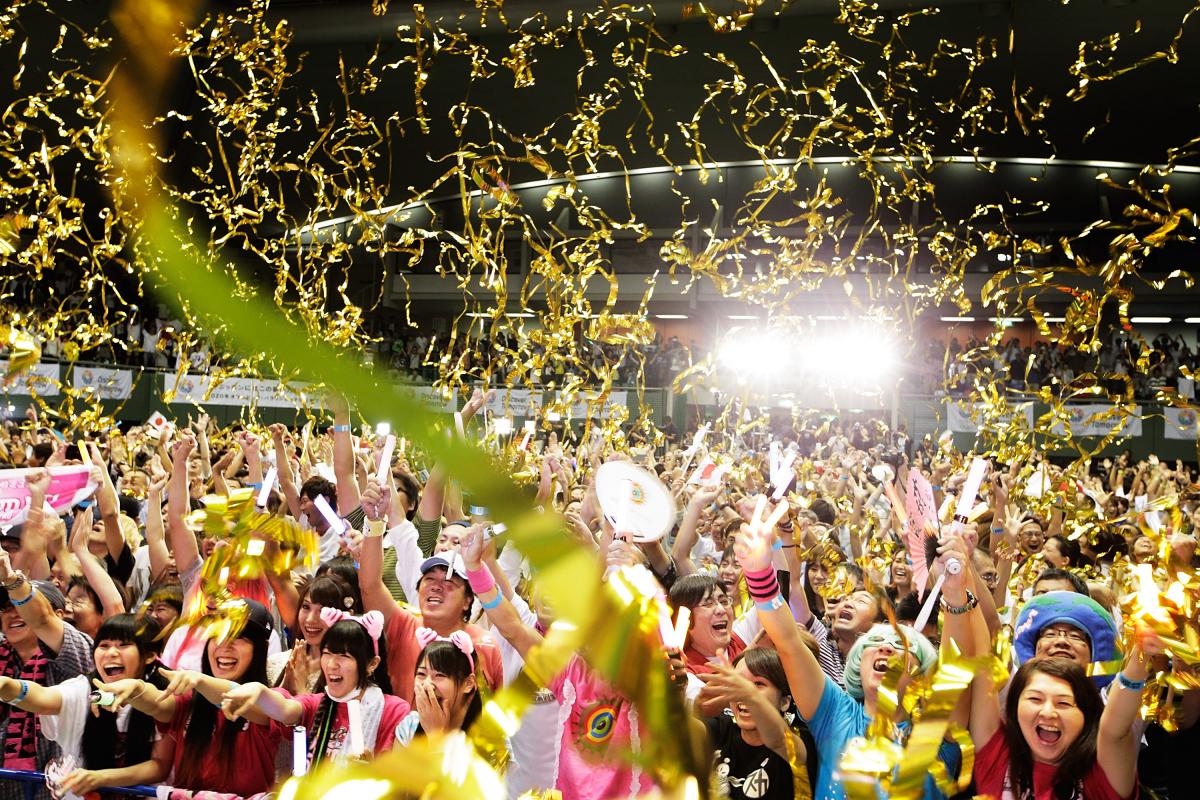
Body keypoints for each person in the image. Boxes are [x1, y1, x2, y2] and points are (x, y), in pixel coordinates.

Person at [733, 497, 965, 800]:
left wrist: (959, 587)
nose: (886, 650)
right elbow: (788, 641)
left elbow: (962, 659)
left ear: (922, 675)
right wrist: (759, 572)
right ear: (857, 661)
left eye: (901, 647)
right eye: (876, 644)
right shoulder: (834, 711)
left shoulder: (939, 732)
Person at [93, 599, 287, 797]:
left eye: (239, 637)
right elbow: (159, 704)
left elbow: (247, 701)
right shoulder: (190, 700)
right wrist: (137, 689)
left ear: (261, 648)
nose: (224, 644)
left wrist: (200, 681)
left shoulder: (270, 700)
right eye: (216, 634)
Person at [0, 615, 170, 795]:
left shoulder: (164, 694)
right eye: (104, 645)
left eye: (124, 645)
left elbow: (159, 767)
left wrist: (100, 778)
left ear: (150, 655)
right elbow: (42, 698)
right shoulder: (86, 688)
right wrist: (8, 686)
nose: (111, 653)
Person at [223, 611, 408, 765]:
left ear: (372, 664)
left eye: (344, 656)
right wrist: (259, 691)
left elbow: (404, 781)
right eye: (327, 653)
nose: (332, 664)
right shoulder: (316, 703)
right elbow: (285, 709)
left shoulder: (395, 711)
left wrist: (372, 777)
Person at [698, 647, 815, 799]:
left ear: (785, 702)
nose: (742, 691)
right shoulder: (722, 727)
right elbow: (684, 731)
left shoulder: (800, 739)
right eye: (738, 683)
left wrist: (751, 696)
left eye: (758, 683)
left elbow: (778, 740)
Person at [268, 574, 360, 694]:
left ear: (345, 615)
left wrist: (301, 688)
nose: (310, 619)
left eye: (322, 610)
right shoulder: (276, 662)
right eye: (306, 607)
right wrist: (284, 684)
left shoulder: (347, 671)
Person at [393, 629, 482, 744]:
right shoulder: (410, 725)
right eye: (421, 674)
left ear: (468, 683)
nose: (427, 684)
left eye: (439, 675)